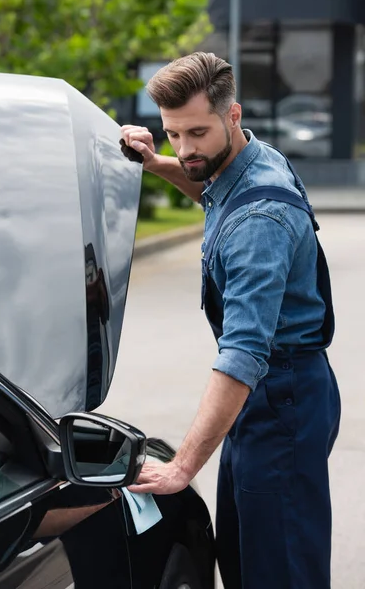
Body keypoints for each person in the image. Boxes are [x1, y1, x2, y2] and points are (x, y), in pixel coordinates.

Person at [122, 52, 341, 589]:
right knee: (245, 559)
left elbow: (242, 356)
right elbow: (212, 190)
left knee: (280, 572)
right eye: (173, 133)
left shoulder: (259, 222)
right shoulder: (248, 162)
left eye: (197, 132)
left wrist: (180, 469)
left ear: (233, 114)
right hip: (271, 395)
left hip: (280, 396)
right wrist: (156, 163)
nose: (186, 148)